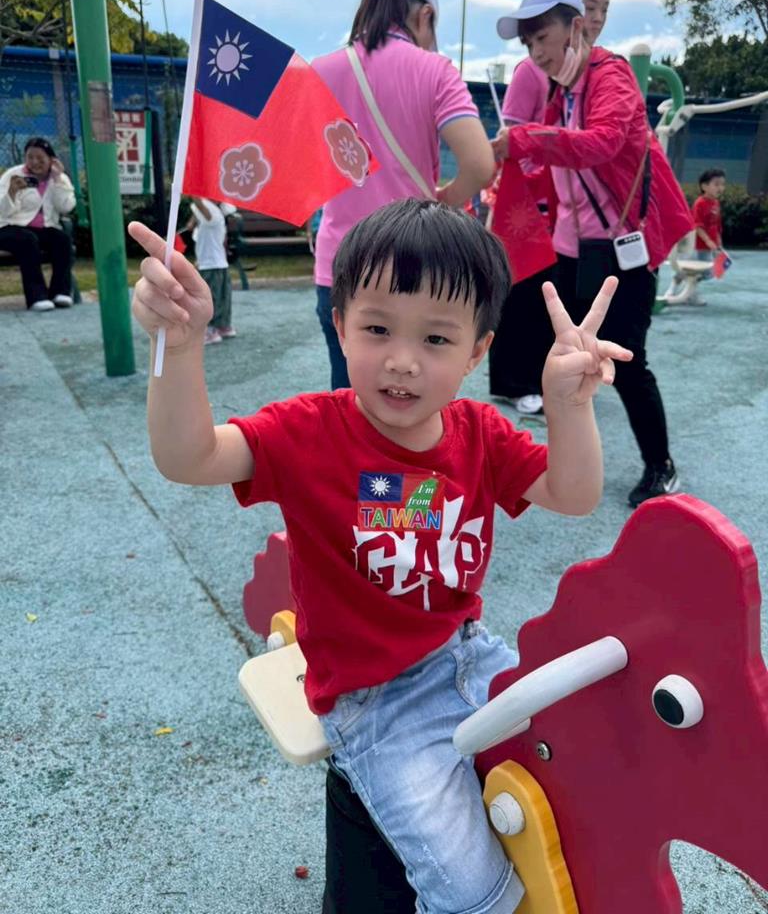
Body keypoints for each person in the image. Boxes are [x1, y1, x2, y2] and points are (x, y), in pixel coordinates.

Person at [128, 197, 631, 914]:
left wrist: (570, 406)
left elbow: (574, 494)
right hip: (376, 698)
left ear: (477, 351)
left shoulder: (480, 432)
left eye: (436, 338)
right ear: (339, 325)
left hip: (468, 654)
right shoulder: (308, 432)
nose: (401, 360)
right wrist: (179, 351)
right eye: (376, 328)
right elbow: (190, 457)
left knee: (585, 765)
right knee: (471, 889)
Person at [493, 0, 693, 508]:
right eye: (528, 43)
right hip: (572, 248)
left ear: (575, 27)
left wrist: (522, 139)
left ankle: (661, 464)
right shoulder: (561, 91)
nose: (536, 52)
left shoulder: (611, 75)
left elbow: (602, 142)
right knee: (570, 353)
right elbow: (550, 162)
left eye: (542, 37)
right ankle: (573, 460)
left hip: (622, 250)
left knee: (626, 360)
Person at [311, 0, 495, 389]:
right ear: (425, 15)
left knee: (348, 396)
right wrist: (445, 200)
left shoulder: (322, 70)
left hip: (340, 262)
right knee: (415, 395)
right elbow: (480, 164)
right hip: (415, 261)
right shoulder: (435, 70)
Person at [489, 0, 613, 416]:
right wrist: (537, 175)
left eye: (603, 9)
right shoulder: (534, 73)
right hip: (533, 207)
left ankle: (549, 377)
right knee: (524, 295)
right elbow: (512, 139)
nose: (596, 18)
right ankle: (514, 381)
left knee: (551, 301)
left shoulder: (590, 77)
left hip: (566, 212)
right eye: (590, 7)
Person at [0, 137, 76, 311]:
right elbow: (3, 212)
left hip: (42, 229)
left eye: (40, 158)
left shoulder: (59, 178)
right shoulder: (13, 175)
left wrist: (57, 180)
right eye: (30, 157)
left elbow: (65, 207)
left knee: (62, 240)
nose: (35, 162)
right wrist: (12, 192)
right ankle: (37, 297)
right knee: (27, 240)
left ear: (51, 160)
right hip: (7, 227)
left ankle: (61, 292)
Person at [185, 197, 238, 344]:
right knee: (223, 298)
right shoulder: (216, 213)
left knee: (209, 298)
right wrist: (192, 222)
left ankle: (210, 330)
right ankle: (223, 326)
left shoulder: (212, 215)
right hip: (218, 263)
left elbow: (200, 206)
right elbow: (196, 216)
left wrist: (192, 191)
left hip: (210, 265)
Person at [689, 168, 726, 304]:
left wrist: (719, 242)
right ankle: (690, 294)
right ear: (704, 186)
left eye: (722, 184)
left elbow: (716, 225)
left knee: (706, 272)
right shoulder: (700, 203)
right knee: (703, 272)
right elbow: (697, 225)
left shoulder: (715, 203)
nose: (720, 188)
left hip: (710, 246)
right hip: (699, 246)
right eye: (716, 184)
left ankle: (685, 286)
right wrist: (708, 240)